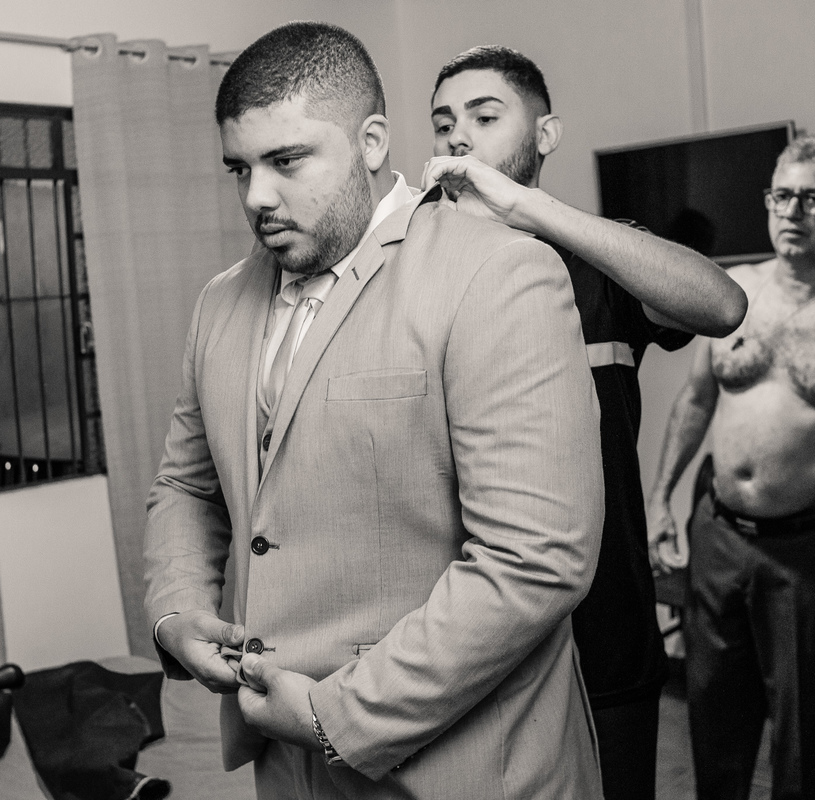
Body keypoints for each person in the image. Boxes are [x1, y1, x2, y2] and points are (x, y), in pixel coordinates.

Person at [144, 21, 606, 799]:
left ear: (371, 142)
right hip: (285, 766)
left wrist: (337, 715)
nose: (256, 196)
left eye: (287, 161)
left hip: (468, 770)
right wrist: (178, 613)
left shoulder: (499, 273)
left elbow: (533, 561)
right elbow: (187, 486)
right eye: (240, 168)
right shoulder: (220, 302)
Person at [422, 45, 747, 800]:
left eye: (484, 116)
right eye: (443, 123)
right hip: (467, 637)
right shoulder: (419, 269)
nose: (458, 136)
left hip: (606, 624)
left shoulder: (598, 260)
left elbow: (722, 304)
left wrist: (527, 209)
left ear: (546, 135)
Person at [646, 134, 815, 800]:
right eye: (781, 195)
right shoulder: (734, 293)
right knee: (713, 716)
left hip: (813, 550)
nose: (792, 211)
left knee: (805, 731)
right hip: (719, 536)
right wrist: (661, 496)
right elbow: (696, 399)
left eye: (813, 199)